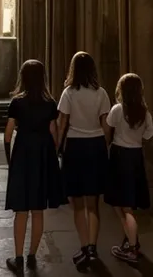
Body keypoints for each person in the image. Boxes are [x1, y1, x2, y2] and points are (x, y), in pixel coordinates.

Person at [4, 60, 66, 275]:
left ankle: (18, 257)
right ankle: (32, 255)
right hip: (43, 154)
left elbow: (8, 133)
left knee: (21, 210)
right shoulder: (50, 103)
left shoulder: (17, 102)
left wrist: (9, 158)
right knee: (38, 209)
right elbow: (54, 131)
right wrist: (53, 153)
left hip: (23, 153)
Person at [57, 52, 111, 266]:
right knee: (93, 204)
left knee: (77, 204)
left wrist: (57, 147)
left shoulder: (69, 93)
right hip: (95, 145)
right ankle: (92, 248)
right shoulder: (102, 94)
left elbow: (62, 124)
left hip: (75, 147)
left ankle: (83, 246)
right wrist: (106, 146)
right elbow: (106, 125)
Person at [104, 73, 153, 265]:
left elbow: (107, 130)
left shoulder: (118, 110)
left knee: (125, 207)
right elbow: (149, 136)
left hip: (119, 155)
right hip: (135, 156)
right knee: (121, 203)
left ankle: (133, 248)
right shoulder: (145, 113)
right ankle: (129, 237)